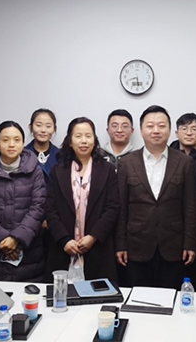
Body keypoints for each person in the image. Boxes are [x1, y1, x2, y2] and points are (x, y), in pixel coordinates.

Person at [115, 105, 196, 289]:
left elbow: (190, 206)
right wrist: (120, 244)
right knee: (137, 298)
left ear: (170, 130)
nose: (156, 130)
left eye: (161, 125)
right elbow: (121, 207)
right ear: (141, 130)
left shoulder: (184, 162)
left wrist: (190, 243)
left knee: (170, 298)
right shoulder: (127, 163)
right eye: (150, 126)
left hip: (173, 246)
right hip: (136, 245)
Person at [44, 117, 120, 283]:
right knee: (63, 293)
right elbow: (50, 209)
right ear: (70, 141)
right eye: (78, 136)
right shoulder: (58, 170)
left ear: (94, 140)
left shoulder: (107, 170)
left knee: (97, 295)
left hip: (98, 247)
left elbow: (112, 207)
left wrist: (93, 237)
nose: (84, 141)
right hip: (63, 248)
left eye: (88, 136)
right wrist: (64, 240)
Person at [0, 121, 46, 281]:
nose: (11, 144)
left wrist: (17, 239)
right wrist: (1, 238)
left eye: (17, 140)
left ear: (23, 143)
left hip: (29, 251)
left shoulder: (35, 171)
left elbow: (38, 207)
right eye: (5, 140)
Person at [169, 112, 196, 292]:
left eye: (194, 129)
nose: (189, 132)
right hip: (172, 227)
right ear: (176, 133)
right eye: (184, 128)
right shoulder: (167, 156)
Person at [24, 108, 59, 185]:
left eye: (48, 126)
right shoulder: (22, 154)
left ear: (54, 129)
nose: (43, 130)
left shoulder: (61, 156)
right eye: (38, 125)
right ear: (30, 127)